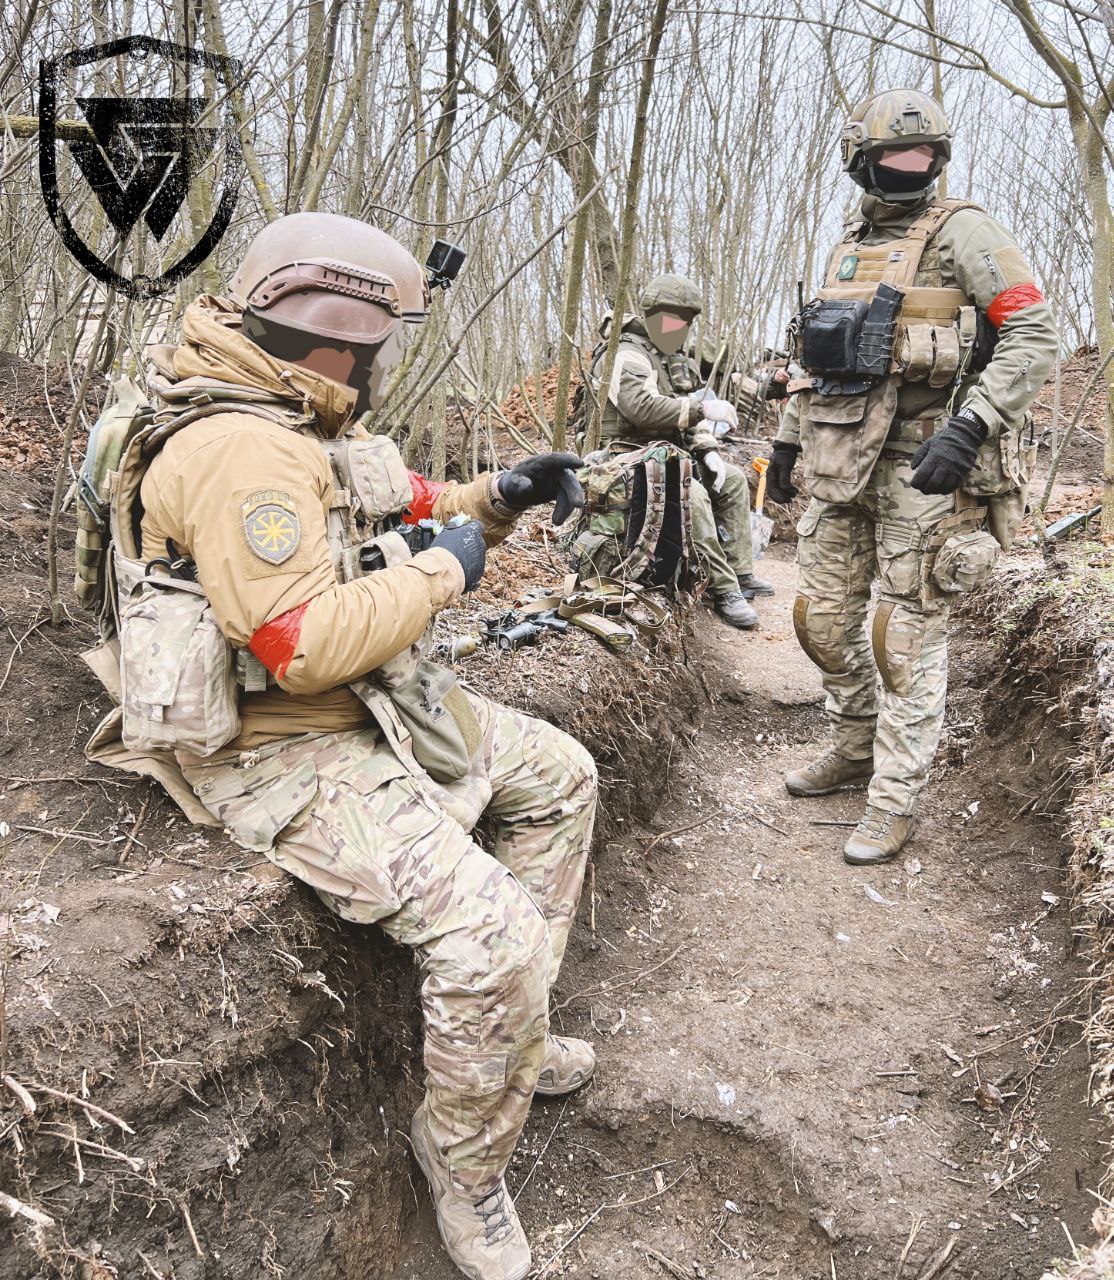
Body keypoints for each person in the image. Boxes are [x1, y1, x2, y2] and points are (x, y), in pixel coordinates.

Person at [92, 212, 597, 1280]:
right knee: (494, 936)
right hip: (276, 746)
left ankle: (507, 1039)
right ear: (336, 339)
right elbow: (301, 644)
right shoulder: (241, 450)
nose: (381, 367)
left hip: (366, 701)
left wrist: (497, 497)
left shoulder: (288, 406)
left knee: (563, 775)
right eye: (376, 347)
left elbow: (405, 499)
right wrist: (446, 570)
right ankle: (462, 1161)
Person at [766, 89, 1057, 865]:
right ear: (860, 162)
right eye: (894, 155)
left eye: (923, 154)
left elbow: (1033, 333)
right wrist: (788, 442)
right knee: (823, 621)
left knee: (902, 638)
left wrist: (972, 425)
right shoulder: (848, 246)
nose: (910, 166)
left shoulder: (967, 232)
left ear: (940, 159)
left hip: (928, 469)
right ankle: (854, 746)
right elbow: (820, 359)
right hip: (841, 461)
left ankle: (893, 800)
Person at [588, 274, 773, 629]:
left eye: (686, 321)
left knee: (733, 480)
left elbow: (685, 409)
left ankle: (740, 573)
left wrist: (708, 450)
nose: (680, 328)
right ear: (652, 315)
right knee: (693, 494)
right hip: (624, 457)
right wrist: (703, 409)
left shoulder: (670, 358)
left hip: (667, 456)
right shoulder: (626, 353)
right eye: (673, 319)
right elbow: (640, 408)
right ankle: (724, 590)